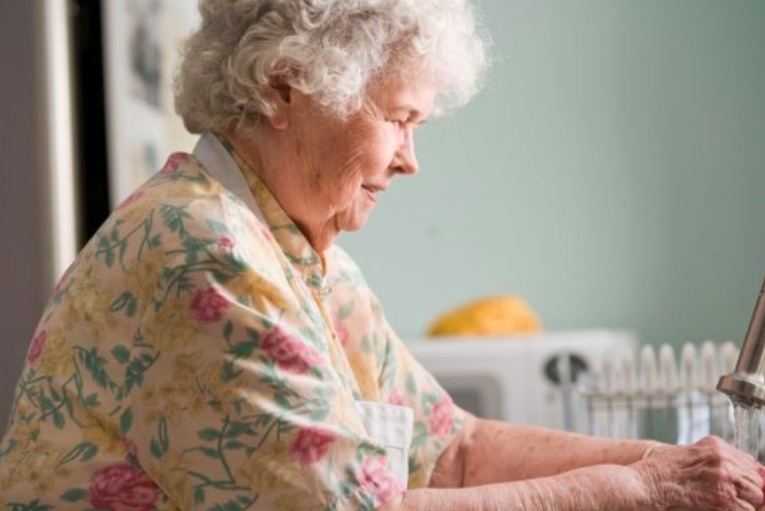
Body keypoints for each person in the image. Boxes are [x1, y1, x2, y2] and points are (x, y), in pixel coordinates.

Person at [0, 0, 763, 509]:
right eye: (399, 119)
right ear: (285, 85)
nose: (409, 159)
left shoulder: (300, 256)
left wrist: (679, 465)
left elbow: (451, 449)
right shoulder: (202, 252)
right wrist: (635, 488)